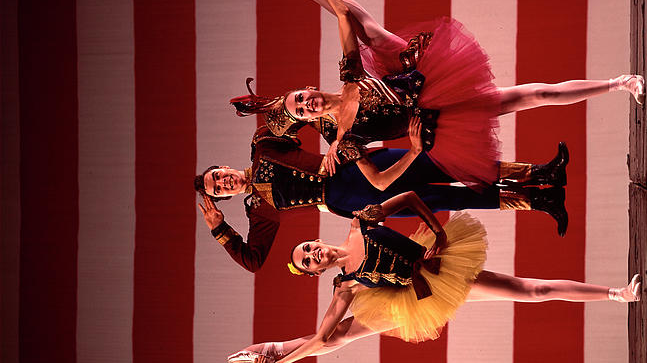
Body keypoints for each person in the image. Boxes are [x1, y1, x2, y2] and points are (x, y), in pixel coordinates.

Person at [237, 0, 644, 184]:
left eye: (301, 98)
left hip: (425, 76)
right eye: (303, 111)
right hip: (437, 116)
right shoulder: (344, 138)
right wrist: (413, 152)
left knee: (373, 34)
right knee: (530, 97)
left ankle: (621, 81)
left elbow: (345, 14)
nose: (308, 105)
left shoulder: (349, 77)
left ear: (308, 89)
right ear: (311, 119)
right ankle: (619, 86)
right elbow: (378, 183)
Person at [226, 191, 641, 363]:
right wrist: (281, 360)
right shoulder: (347, 284)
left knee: (531, 290)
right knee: (339, 336)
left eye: (308, 249)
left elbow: (406, 198)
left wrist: (437, 233)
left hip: (442, 269)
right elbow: (321, 338)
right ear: (316, 273)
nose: (314, 256)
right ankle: (266, 348)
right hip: (412, 300)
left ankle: (616, 293)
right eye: (309, 263)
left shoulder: (359, 224)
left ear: (317, 241)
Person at [196, 119, 571, 274]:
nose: (223, 182)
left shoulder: (261, 143)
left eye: (219, 175)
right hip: (349, 201)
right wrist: (220, 230)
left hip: (355, 166)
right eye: (218, 189)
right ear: (224, 198)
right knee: (448, 201)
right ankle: (539, 202)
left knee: (443, 167)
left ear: (224, 166)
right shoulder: (258, 210)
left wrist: (338, 140)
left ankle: (540, 173)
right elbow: (254, 260)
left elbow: (300, 110)